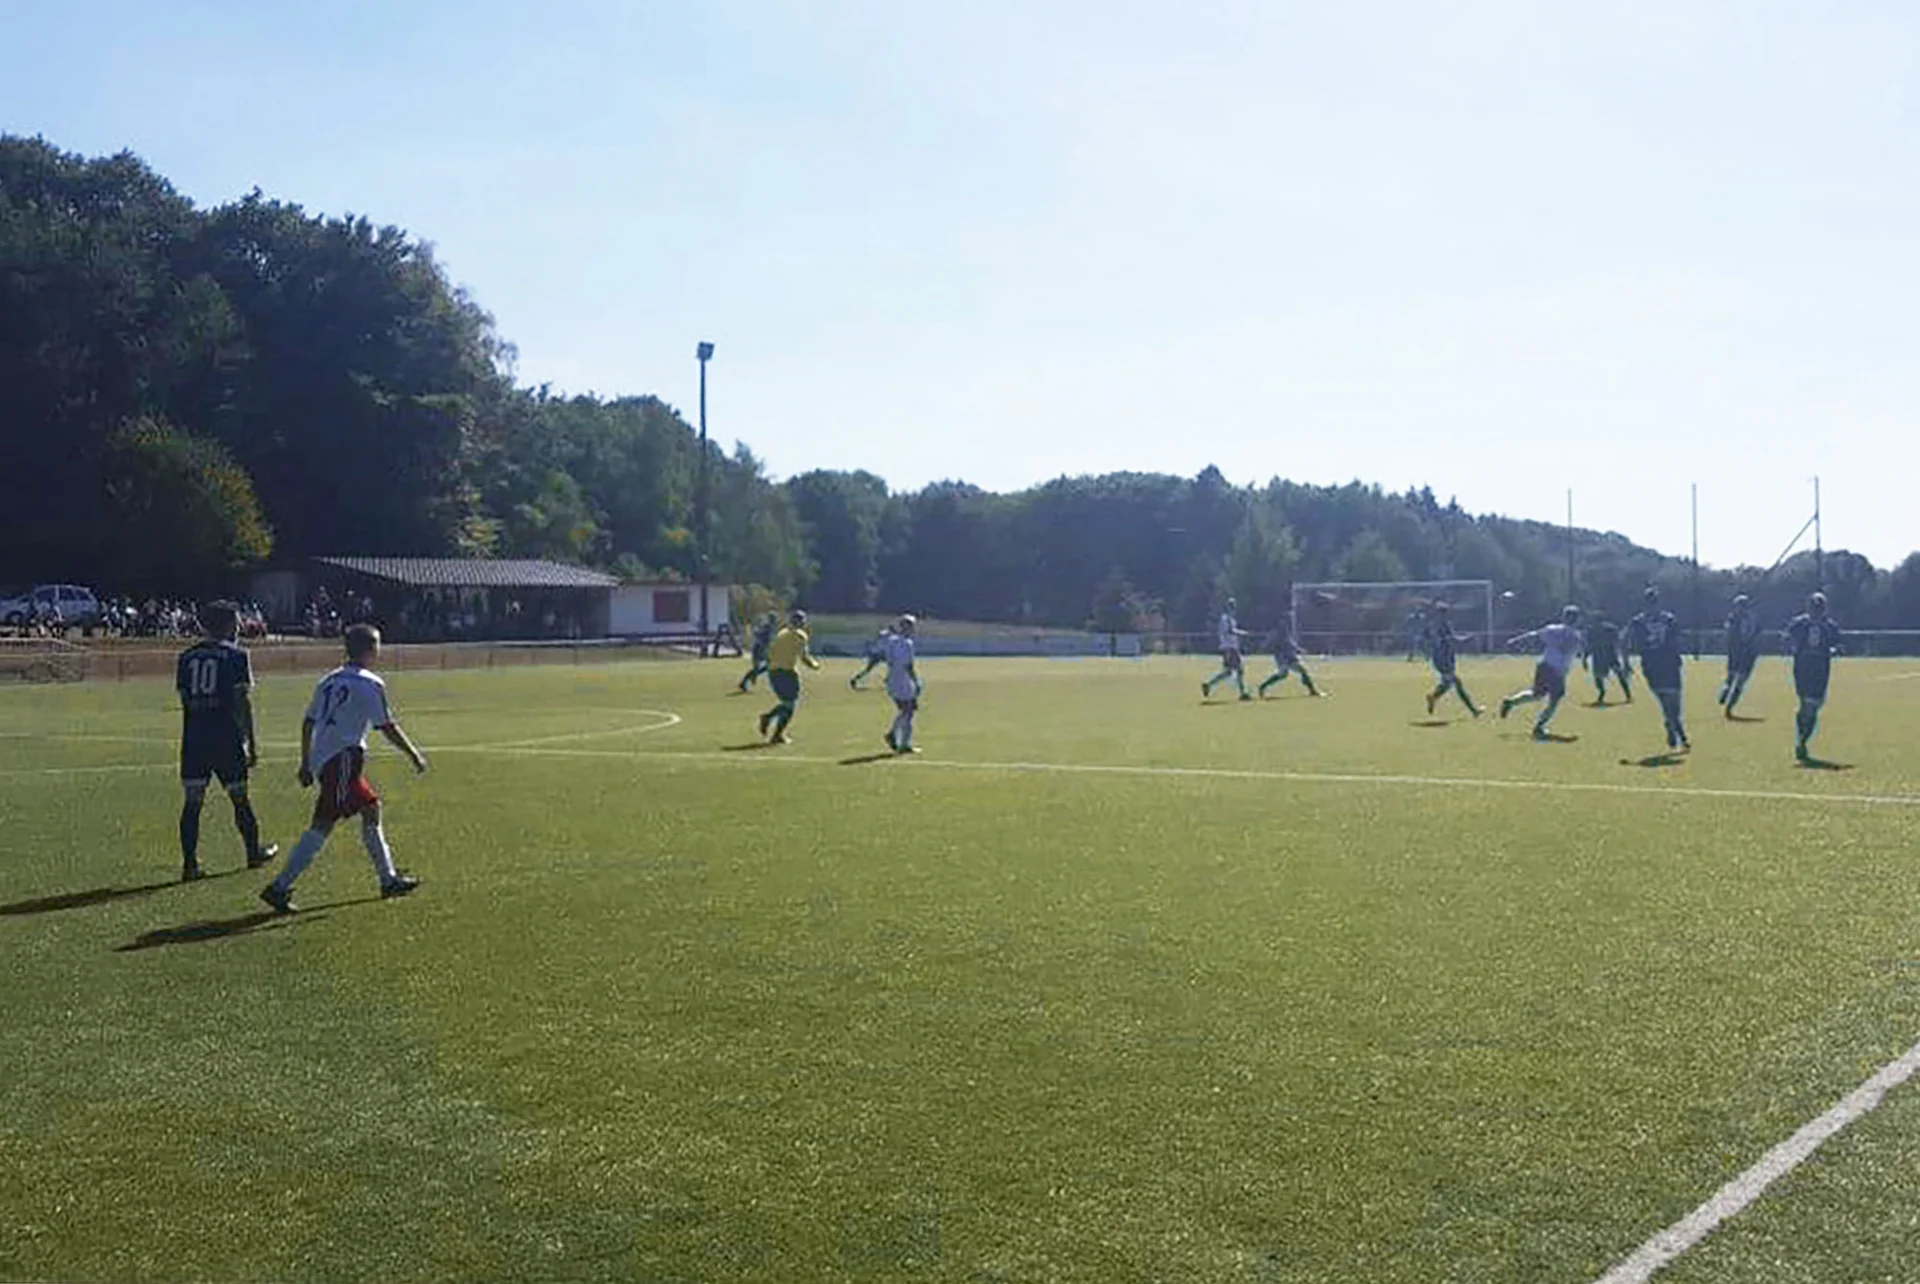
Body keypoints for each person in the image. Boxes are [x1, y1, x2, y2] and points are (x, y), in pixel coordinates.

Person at [260, 625, 426, 914]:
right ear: (370, 650)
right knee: (322, 824)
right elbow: (386, 726)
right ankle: (279, 887)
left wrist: (305, 762)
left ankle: (388, 880)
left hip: (327, 760)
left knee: (371, 808)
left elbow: (308, 722)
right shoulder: (370, 683)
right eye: (377, 646)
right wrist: (413, 754)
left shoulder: (328, 681)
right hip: (344, 759)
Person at [175, 601, 277, 881]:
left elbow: (185, 702)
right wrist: (251, 743)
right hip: (225, 736)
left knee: (193, 801)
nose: (239, 626)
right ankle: (252, 852)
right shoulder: (236, 656)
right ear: (227, 625)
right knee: (239, 798)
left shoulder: (186, 657)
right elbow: (242, 703)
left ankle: (190, 864)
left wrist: (191, 735)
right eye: (236, 622)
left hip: (195, 737)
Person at [1499, 606, 1584, 740]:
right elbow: (1573, 651)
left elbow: (1534, 635)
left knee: (1537, 694)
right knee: (1555, 699)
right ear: (1577, 619)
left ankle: (1511, 702)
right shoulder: (1575, 635)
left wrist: (1515, 640)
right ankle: (1539, 727)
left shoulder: (1553, 629)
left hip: (1544, 665)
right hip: (1557, 670)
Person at [1625, 585, 1689, 751]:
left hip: (1661, 663)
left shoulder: (1645, 620)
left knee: (1671, 704)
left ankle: (1674, 729)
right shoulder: (1661, 619)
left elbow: (1624, 641)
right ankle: (1679, 734)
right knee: (1670, 704)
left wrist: (1626, 662)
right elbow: (1678, 640)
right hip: (1661, 664)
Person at [1785, 591, 1844, 763]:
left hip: (1816, 668)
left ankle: (1801, 738)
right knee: (1810, 705)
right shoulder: (1802, 623)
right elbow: (1788, 638)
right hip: (1807, 668)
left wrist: (1835, 650)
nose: (1817, 610)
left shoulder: (1828, 626)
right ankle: (1802, 741)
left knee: (1809, 706)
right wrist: (1793, 646)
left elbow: (1838, 644)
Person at [758, 609, 821, 745]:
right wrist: (815, 665)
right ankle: (775, 731)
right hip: (786, 672)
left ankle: (770, 722)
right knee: (790, 705)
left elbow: (770, 652)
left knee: (786, 703)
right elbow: (804, 657)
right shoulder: (800, 636)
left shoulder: (781, 633)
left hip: (773, 672)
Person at [1422, 601, 1482, 718]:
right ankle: (1474, 710)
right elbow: (1453, 639)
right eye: (1445, 612)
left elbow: (1428, 640)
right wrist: (1467, 638)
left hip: (1440, 658)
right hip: (1444, 659)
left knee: (1448, 684)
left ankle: (1433, 697)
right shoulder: (1443, 625)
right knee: (1457, 684)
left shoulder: (1433, 625)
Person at [882, 615, 923, 753]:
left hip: (892, 679)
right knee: (908, 710)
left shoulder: (891, 641)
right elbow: (908, 665)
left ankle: (904, 743)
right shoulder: (907, 643)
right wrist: (916, 681)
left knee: (907, 711)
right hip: (903, 681)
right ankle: (893, 735)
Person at [1719, 594, 1763, 717]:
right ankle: (1729, 706)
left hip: (1737, 651)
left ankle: (1726, 695)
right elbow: (1757, 634)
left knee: (1732, 678)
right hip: (1748, 652)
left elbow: (1728, 632)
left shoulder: (1733, 617)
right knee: (1739, 681)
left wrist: (1728, 644)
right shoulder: (1754, 618)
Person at [1200, 597, 1250, 701]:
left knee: (1228, 672)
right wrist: (1242, 633)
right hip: (1230, 647)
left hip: (1229, 647)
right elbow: (1230, 631)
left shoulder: (1228, 618)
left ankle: (1208, 684)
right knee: (1239, 670)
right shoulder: (1226, 618)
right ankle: (1243, 693)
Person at [1258, 617, 1321, 698]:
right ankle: (1312, 691)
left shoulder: (1284, 632)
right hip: (1285, 657)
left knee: (1285, 674)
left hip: (1287, 656)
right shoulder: (1277, 633)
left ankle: (1263, 687)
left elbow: (1290, 643)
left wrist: (1298, 649)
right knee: (1301, 671)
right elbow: (1272, 643)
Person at [1586, 612, 1632, 705]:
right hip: (1601, 655)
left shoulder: (1609, 629)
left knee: (1618, 675)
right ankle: (1603, 694)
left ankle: (1627, 695)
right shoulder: (1591, 630)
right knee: (1600, 677)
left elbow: (1616, 641)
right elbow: (1589, 644)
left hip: (1608, 655)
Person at [738, 612, 777, 692]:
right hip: (759, 649)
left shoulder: (771, 627)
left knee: (767, 667)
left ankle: (751, 679)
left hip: (764, 650)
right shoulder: (767, 627)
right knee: (758, 668)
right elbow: (758, 635)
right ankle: (745, 682)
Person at [850, 625, 892, 690]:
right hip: (880, 654)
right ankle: (888, 680)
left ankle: (855, 679)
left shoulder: (884, 634)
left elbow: (878, 639)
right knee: (894, 666)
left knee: (868, 669)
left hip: (877, 654)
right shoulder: (889, 635)